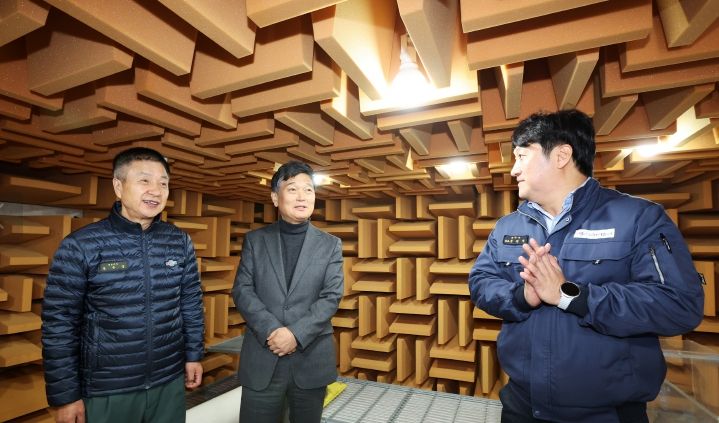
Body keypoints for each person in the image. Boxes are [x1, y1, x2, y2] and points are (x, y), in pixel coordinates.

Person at [468, 109, 704, 423]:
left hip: (606, 415)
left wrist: (570, 295)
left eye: (522, 156)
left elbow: (679, 304)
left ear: (561, 155)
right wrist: (522, 296)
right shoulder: (508, 226)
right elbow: (480, 282)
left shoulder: (639, 218)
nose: (513, 170)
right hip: (522, 407)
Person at [42, 147, 205, 423]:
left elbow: (190, 304)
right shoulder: (81, 245)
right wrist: (66, 396)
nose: (156, 191)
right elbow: (59, 324)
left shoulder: (179, 241)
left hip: (168, 381)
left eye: (163, 183)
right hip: (107, 390)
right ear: (118, 187)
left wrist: (193, 355)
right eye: (144, 180)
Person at [232, 160, 343, 423]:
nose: (302, 196)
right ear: (275, 197)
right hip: (263, 359)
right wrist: (272, 330)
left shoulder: (330, 245)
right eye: (292, 189)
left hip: (311, 361)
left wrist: (295, 334)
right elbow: (242, 290)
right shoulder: (255, 240)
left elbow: (331, 297)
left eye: (308, 189)